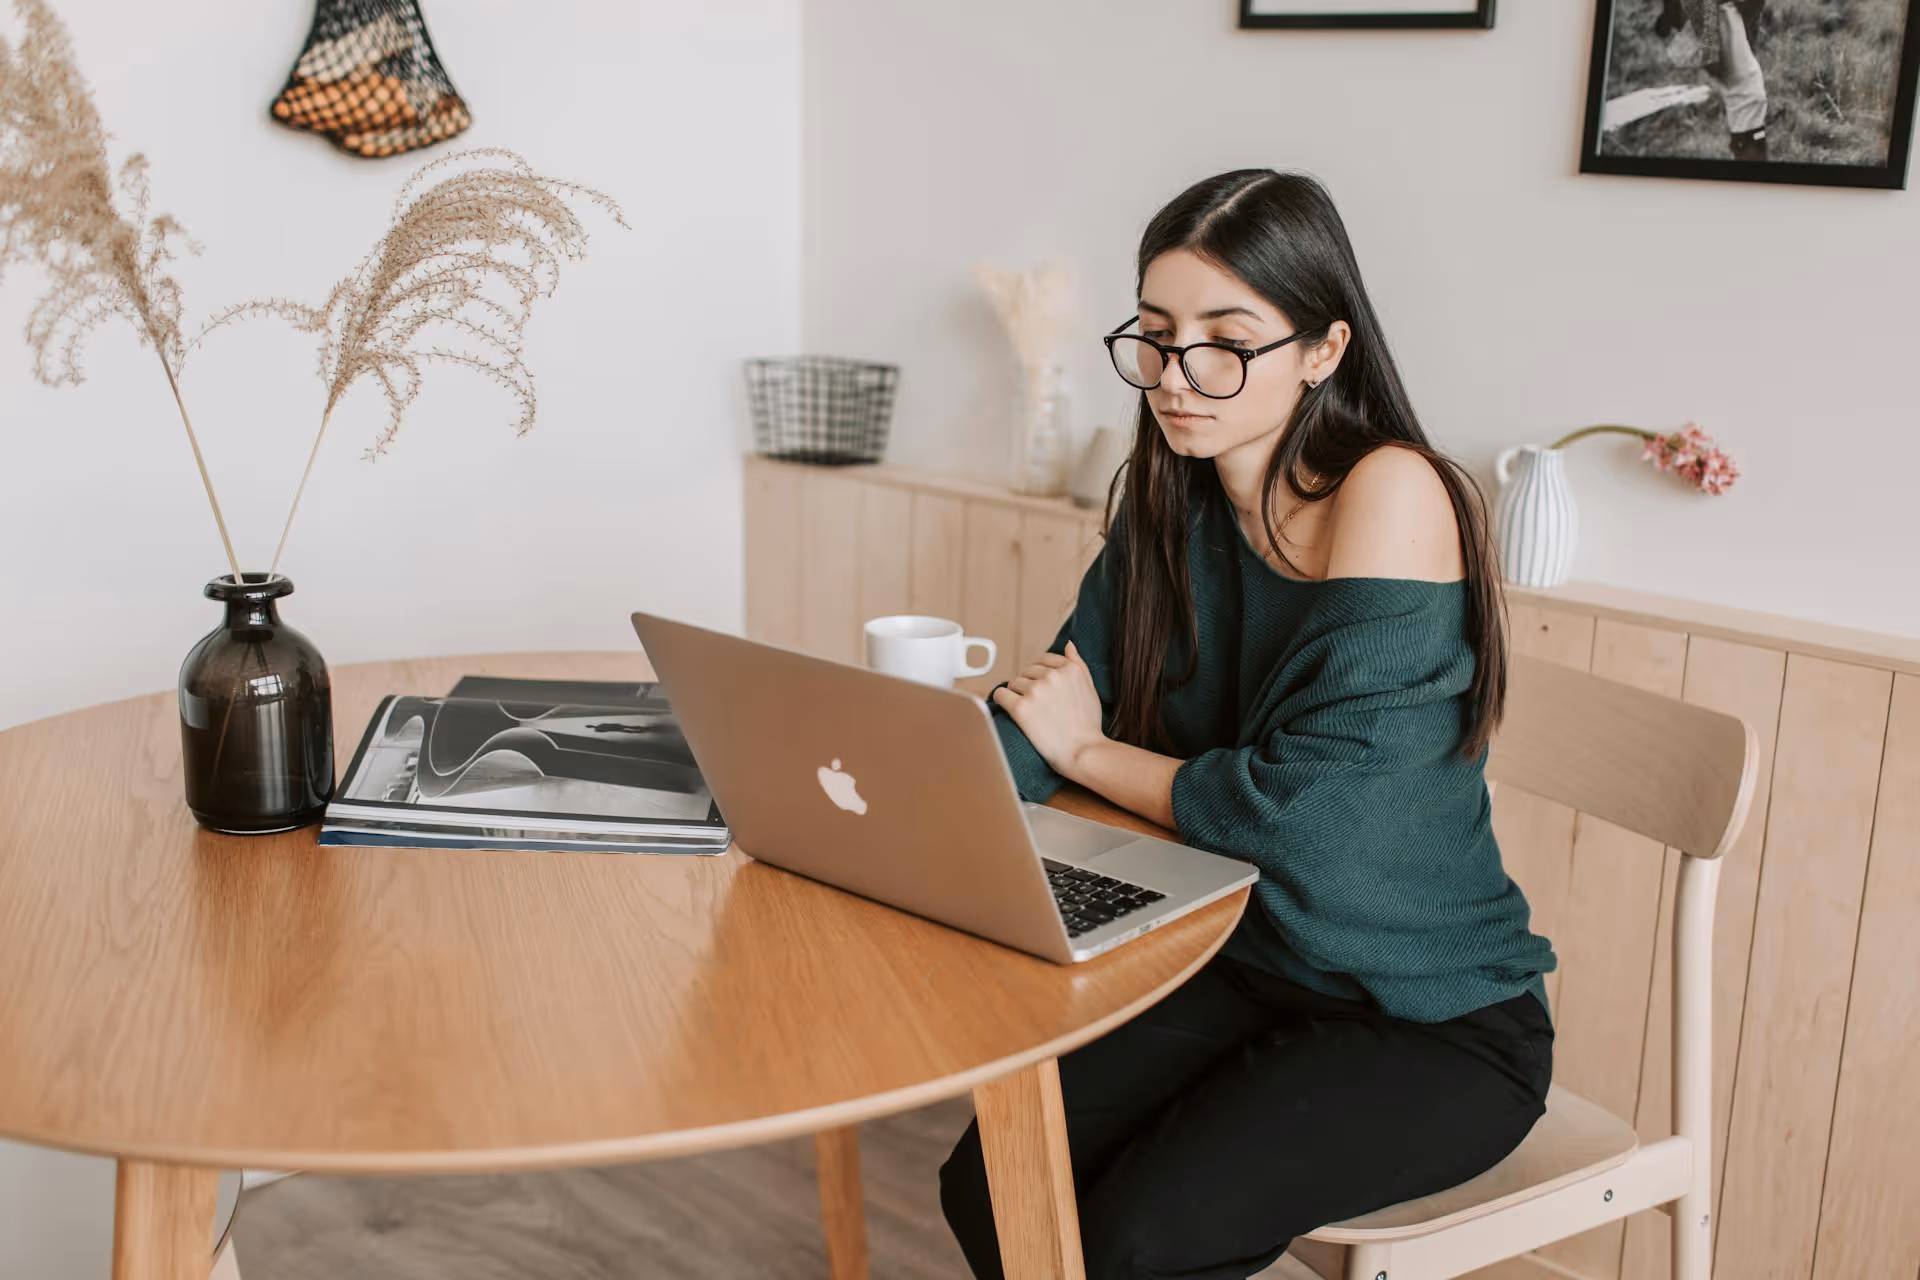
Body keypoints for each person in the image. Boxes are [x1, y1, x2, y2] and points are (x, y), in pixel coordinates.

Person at [937, 170, 1558, 1280]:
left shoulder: (1394, 489)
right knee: (989, 1183)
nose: (1177, 379)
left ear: (1324, 349)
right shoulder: (1169, 499)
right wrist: (912, 800)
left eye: (1227, 341)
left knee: (1135, 1239)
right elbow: (1048, 708)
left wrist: (1089, 754)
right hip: (1239, 961)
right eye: (1157, 337)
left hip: (1426, 1018)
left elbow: (1304, 819)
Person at [1656, 0, 1770, 159]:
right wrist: (1708, 45)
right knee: (1748, 96)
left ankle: (1746, 152)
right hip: (1712, 10)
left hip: (1720, 12)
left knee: (1747, 97)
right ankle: (1750, 166)